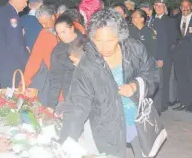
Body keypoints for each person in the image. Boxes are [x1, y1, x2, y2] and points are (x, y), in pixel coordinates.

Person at [58, 8, 159, 158]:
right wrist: (66, 143)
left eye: (110, 40)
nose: (104, 48)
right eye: (98, 41)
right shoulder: (87, 65)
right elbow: (77, 106)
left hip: (137, 121)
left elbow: (152, 74)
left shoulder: (134, 49)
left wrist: (135, 86)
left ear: (119, 36)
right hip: (107, 126)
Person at [0, 0, 29, 88]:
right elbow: (15, 42)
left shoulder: (3, 10)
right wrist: (26, 61)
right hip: (8, 63)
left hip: (1, 60)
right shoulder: (12, 14)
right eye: (25, 1)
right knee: (11, 96)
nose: (26, 5)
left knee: (6, 93)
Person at [47, 13, 88, 109]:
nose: (61, 36)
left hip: (91, 92)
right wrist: (51, 105)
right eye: (58, 33)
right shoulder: (58, 51)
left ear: (72, 28)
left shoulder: (87, 42)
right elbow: (55, 79)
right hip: (71, 95)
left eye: (63, 32)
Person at [23, 5, 58, 106]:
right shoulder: (44, 33)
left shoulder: (66, 29)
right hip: (48, 72)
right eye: (41, 23)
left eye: (45, 22)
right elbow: (35, 58)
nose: (44, 26)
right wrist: (26, 80)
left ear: (53, 17)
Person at [150, 0, 178, 113]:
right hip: (153, 55)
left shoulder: (169, 21)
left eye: (160, 6)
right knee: (155, 81)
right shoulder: (151, 20)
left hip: (164, 56)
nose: (158, 8)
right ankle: (156, 103)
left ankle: (163, 103)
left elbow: (169, 41)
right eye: (156, 5)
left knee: (164, 81)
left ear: (164, 7)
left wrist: (161, 57)